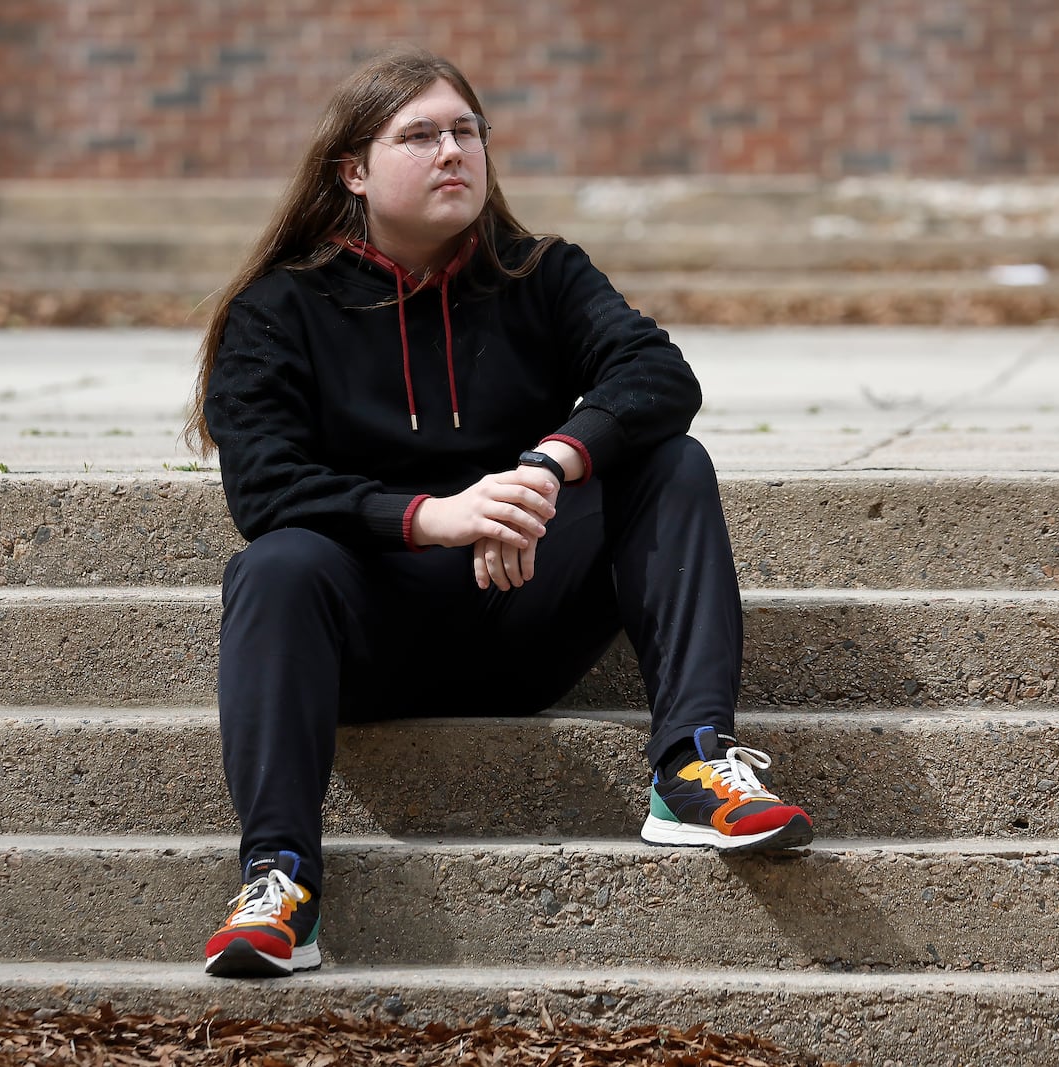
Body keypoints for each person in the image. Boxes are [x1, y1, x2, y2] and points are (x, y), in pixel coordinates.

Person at [183, 47, 813, 980]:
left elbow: (658, 376)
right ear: (353, 171)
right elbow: (267, 489)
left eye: (467, 132)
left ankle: (691, 766)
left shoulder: (541, 273)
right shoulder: (279, 309)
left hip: (524, 614)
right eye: (421, 135)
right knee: (273, 565)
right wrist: (434, 516)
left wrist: (546, 469)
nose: (453, 152)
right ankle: (279, 877)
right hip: (371, 638)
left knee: (670, 463)